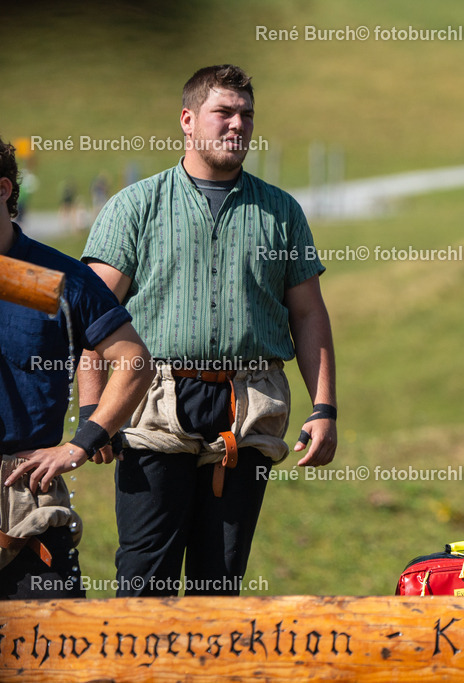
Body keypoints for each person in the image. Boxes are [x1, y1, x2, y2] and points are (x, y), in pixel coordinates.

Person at [80, 65, 338, 597]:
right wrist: (90, 414)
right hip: (152, 403)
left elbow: (309, 314)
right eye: (223, 112)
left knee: (218, 585)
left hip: (248, 409)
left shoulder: (281, 213)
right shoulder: (135, 207)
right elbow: (91, 314)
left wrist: (324, 408)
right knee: (143, 581)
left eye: (246, 114)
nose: (236, 124)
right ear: (188, 120)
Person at [0, 135, 154, 599]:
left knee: (54, 657)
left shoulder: (39, 280)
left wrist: (84, 441)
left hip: (26, 497)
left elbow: (133, 359)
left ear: (3, 189)